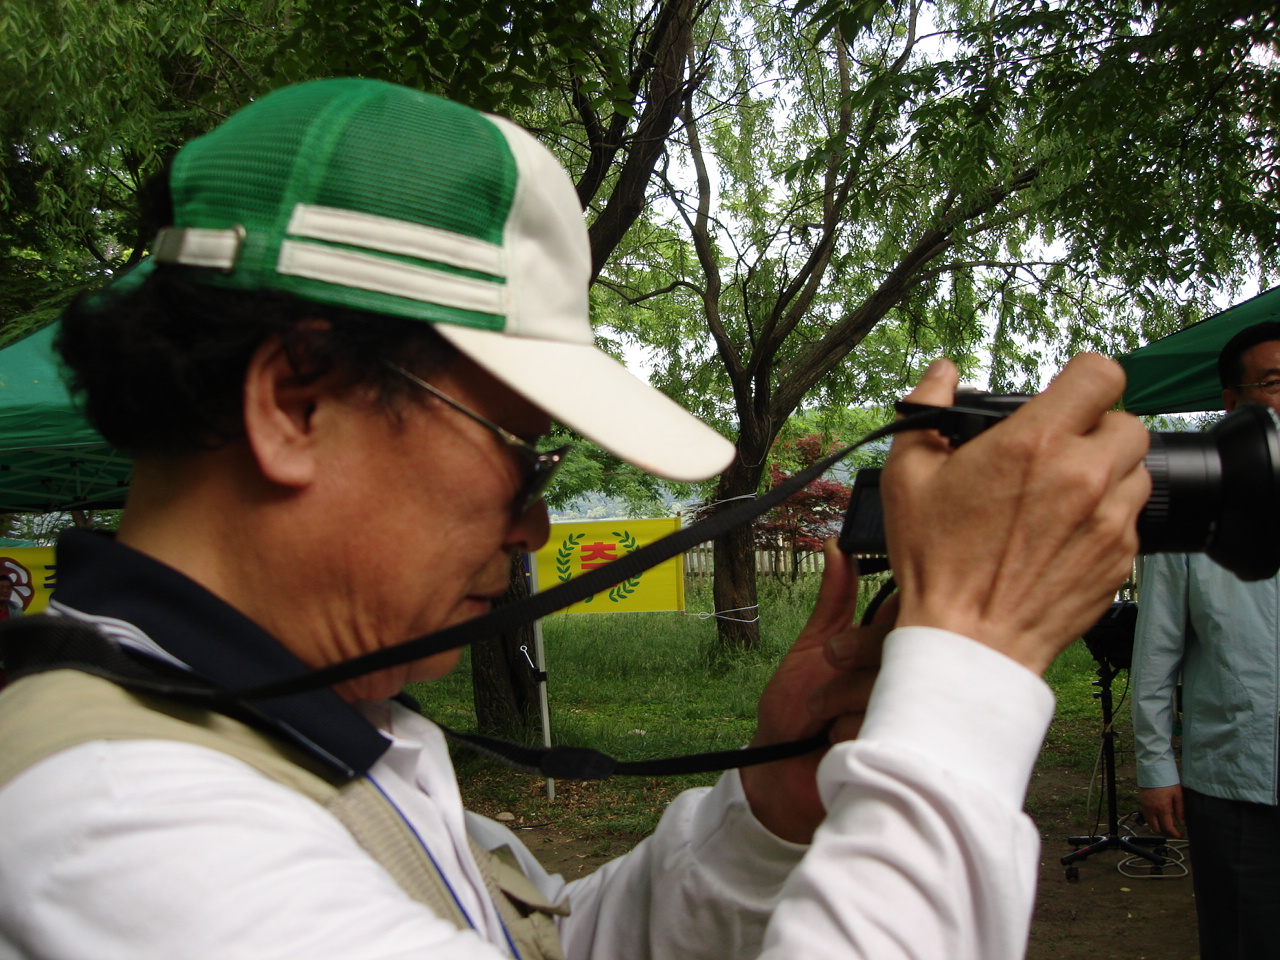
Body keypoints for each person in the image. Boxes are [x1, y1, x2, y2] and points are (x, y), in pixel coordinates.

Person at [0, 78, 1150, 960]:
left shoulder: (271, 720)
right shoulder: (119, 818)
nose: (534, 529)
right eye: (519, 453)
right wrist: (966, 667)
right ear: (294, 403)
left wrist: (768, 812)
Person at [1132, 320, 1280, 960]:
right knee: (1242, 941)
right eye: (1275, 382)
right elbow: (1156, 651)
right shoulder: (1194, 508)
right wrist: (1155, 765)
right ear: (1233, 402)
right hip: (1234, 783)